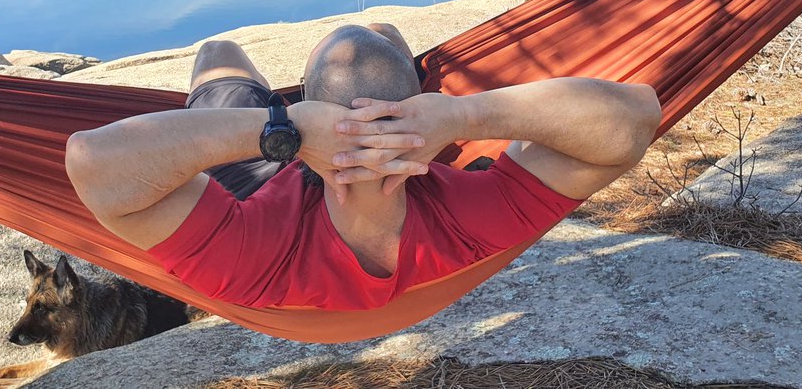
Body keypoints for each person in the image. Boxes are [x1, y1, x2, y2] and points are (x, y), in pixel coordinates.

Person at [65, 23, 661, 310]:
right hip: (325, 143)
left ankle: (351, 71)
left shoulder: (248, 254)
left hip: (248, 169)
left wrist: (283, 131)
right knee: (379, 37)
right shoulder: (477, 222)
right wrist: (461, 118)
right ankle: (382, 57)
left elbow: (91, 162)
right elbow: (634, 118)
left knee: (219, 53)